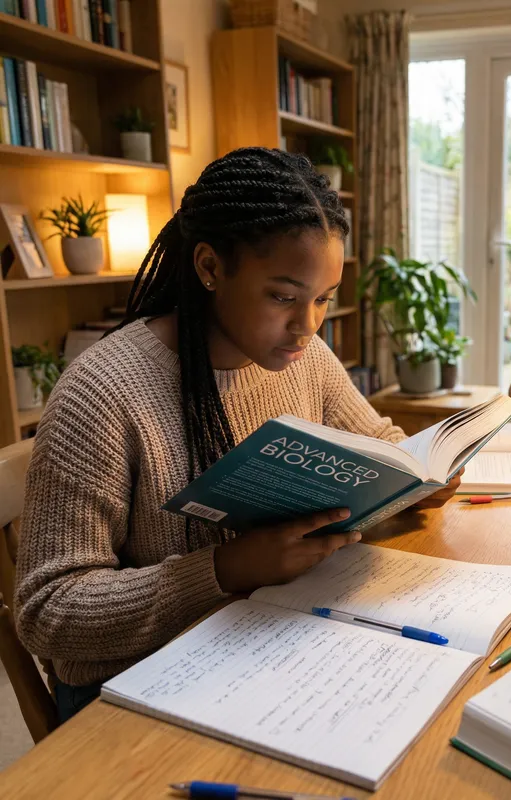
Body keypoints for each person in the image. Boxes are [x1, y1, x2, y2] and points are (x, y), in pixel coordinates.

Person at [14, 148, 460, 723]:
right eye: (283, 297)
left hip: (268, 635)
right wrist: (223, 569)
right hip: (136, 685)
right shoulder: (102, 392)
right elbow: (48, 612)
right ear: (210, 267)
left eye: (323, 299)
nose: (307, 326)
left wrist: (419, 477)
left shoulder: (305, 358)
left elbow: (378, 440)